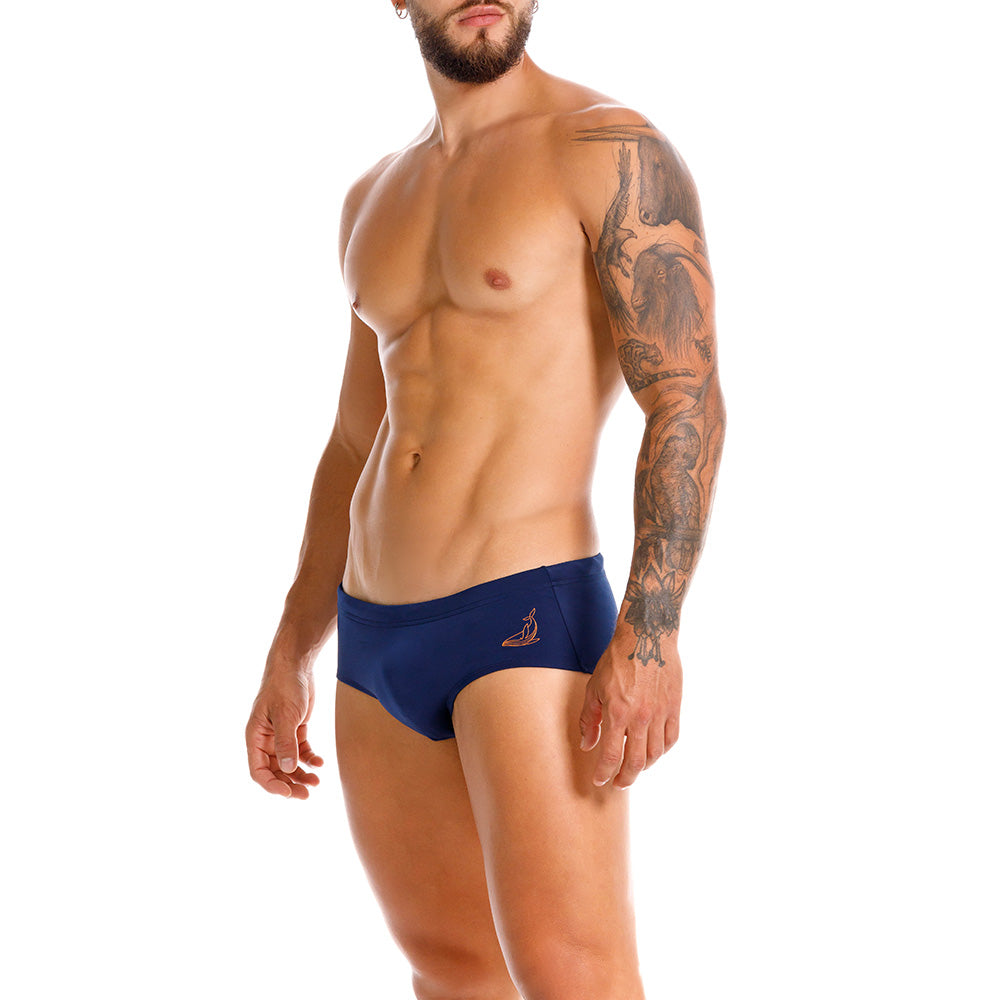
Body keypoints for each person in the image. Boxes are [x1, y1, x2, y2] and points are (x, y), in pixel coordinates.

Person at [245, 2, 726, 997]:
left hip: (523, 615)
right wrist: (293, 645)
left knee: (574, 976)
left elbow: (684, 401)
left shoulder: (605, 149)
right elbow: (355, 439)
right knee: (451, 970)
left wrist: (650, 633)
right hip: (374, 637)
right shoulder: (373, 195)